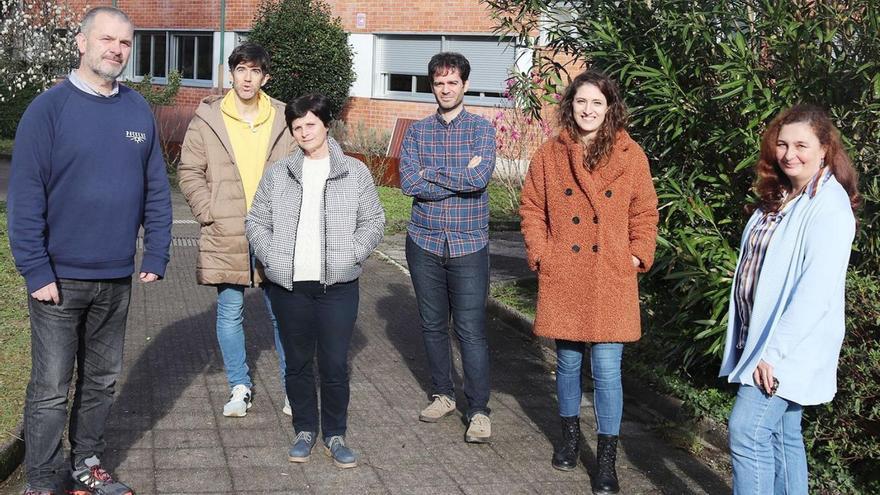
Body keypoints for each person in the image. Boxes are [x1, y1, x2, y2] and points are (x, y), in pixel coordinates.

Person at [7, 7, 172, 495]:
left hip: (117, 277)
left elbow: (156, 188)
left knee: (101, 382)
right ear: (81, 44)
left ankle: (86, 466)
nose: (116, 50)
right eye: (106, 40)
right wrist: (36, 269)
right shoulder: (48, 109)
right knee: (51, 390)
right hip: (58, 278)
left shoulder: (137, 109)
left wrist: (157, 251)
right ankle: (40, 480)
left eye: (125, 43)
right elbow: (25, 197)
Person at [519, 69, 658, 494]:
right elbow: (531, 209)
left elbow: (645, 212)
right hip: (566, 271)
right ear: (570, 105)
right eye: (581, 102)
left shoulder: (631, 155)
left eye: (597, 103)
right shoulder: (549, 155)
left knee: (608, 370)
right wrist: (543, 254)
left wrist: (636, 254)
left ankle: (608, 461)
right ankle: (569, 439)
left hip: (611, 275)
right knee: (567, 363)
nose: (588, 110)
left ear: (611, 107)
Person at [720, 104, 859, 494]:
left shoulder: (828, 206)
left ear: (824, 149)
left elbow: (816, 290)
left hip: (787, 347)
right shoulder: (784, 195)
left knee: (746, 432)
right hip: (764, 339)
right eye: (782, 144)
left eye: (801, 144)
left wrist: (774, 352)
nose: (789, 154)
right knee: (782, 435)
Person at [246, 94, 385, 469]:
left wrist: (351, 254)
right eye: (297, 127)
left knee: (335, 364)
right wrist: (272, 258)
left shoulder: (355, 172)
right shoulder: (279, 173)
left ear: (325, 125)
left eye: (310, 124)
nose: (304, 132)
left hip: (337, 287)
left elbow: (374, 221)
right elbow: (255, 221)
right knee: (297, 362)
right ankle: (305, 430)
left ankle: (335, 433)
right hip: (290, 287)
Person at [178, 42, 295, 418]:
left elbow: (301, 166)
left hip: (275, 230)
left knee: (282, 312)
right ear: (231, 73)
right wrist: (207, 211)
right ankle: (240, 386)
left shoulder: (281, 116)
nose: (247, 78)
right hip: (225, 228)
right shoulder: (208, 117)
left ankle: (293, 389)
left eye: (255, 71)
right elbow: (189, 170)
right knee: (230, 311)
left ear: (265, 76)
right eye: (241, 70)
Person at [398, 52, 497, 443]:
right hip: (423, 242)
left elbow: (479, 178)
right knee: (432, 325)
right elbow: (408, 183)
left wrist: (431, 174)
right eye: (439, 83)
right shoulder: (418, 133)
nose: (446, 88)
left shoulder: (481, 130)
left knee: (471, 330)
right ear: (432, 86)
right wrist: (454, 176)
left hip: (469, 244)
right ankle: (443, 394)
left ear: (465, 85)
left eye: (453, 82)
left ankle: (479, 410)